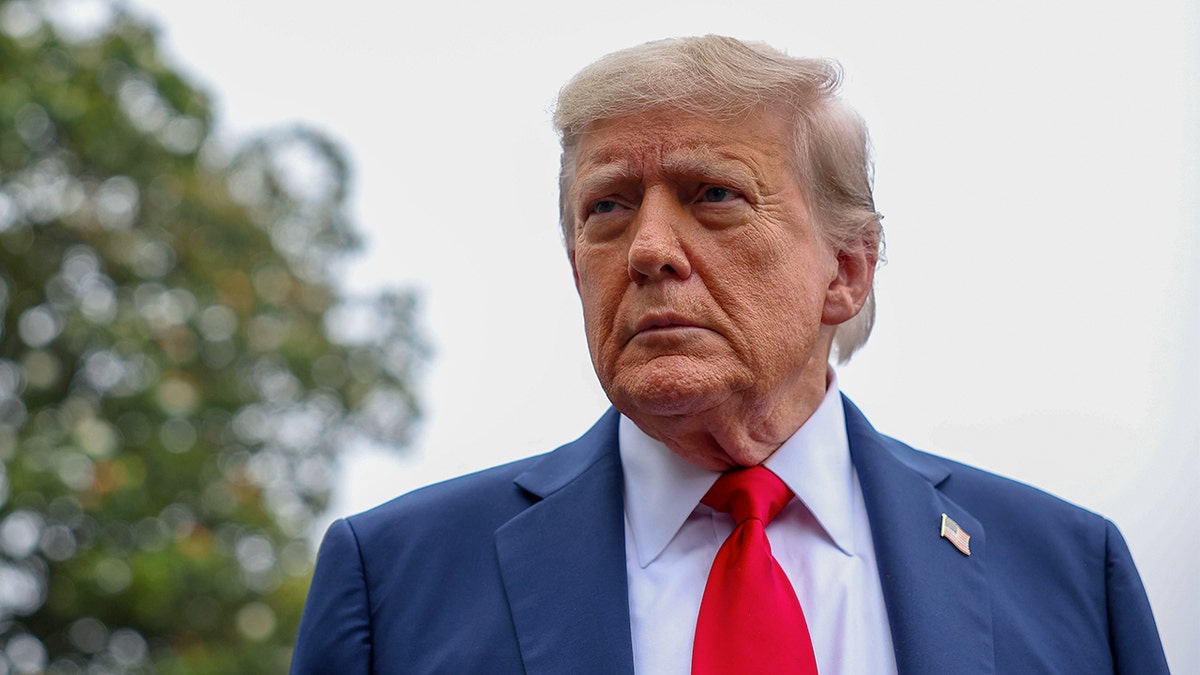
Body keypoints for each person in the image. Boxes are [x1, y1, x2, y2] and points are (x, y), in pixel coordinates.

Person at [290, 36, 1168, 674]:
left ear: (847, 272)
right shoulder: (395, 580)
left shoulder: (1067, 570)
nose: (647, 249)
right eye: (607, 208)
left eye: (714, 195)